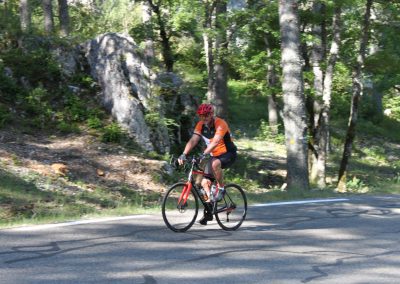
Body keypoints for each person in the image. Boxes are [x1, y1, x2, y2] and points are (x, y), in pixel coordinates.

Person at [178, 103, 237, 225]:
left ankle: (221, 188)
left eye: (206, 115)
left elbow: (215, 142)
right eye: (201, 116)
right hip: (213, 155)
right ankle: (209, 212)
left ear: (211, 114)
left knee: (215, 163)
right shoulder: (200, 125)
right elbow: (194, 140)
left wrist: (204, 154)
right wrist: (184, 154)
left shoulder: (221, 123)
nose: (204, 118)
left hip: (228, 154)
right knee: (203, 183)